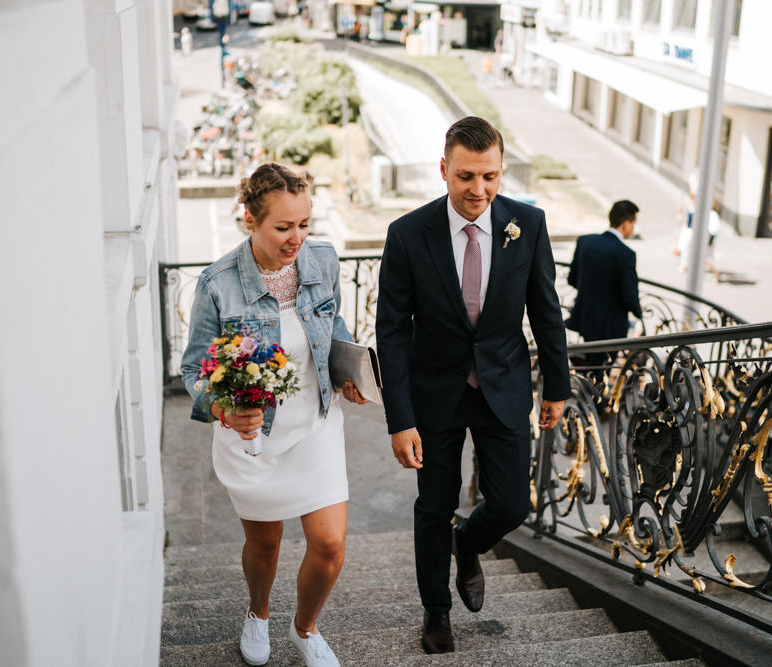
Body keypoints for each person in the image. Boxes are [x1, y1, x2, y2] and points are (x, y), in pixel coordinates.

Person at [376, 116, 570, 655]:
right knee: (433, 505)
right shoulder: (408, 234)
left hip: (503, 386)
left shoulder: (527, 225)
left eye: (489, 176)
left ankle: (469, 542)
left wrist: (557, 385)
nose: (477, 190)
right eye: (465, 176)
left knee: (511, 505)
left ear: (501, 172)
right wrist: (400, 418)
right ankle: (436, 612)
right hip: (434, 393)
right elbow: (390, 333)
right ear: (443, 170)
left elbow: (546, 310)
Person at [181, 163, 368, 667]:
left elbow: (334, 324)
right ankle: (258, 613)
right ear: (250, 220)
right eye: (283, 227)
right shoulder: (217, 282)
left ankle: (305, 629)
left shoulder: (323, 260)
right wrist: (222, 408)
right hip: (252, 438)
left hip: (316, 425)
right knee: (265, 546)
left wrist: (346, 368)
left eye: (304, 224)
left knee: (329, 545)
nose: (297, 238)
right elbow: (192, 367)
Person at [565, 199, 642, 369]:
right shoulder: (626, 254)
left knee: (589, 365)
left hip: (586, 317)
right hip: (610, 325)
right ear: (626, 224)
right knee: (602, 369)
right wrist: (640, 313)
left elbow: (572, 279)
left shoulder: (585, 242)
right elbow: (629, 295)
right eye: (634, 223)